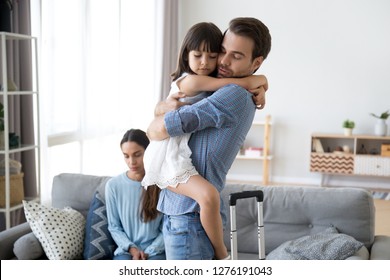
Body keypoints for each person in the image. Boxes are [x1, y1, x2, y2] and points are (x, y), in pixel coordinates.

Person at [147, 17, 272, 260]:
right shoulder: (222, 85)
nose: (222, 61)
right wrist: (261, 80)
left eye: (236, 56)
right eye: (222, 51)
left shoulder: (234, 94)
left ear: (256, 62)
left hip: (190, 220)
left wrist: (155, 121)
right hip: (185, 215)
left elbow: (158, 130)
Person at [105, 129, 165, 260]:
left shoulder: (163, 183)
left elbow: (167, 226)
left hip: (156, 251)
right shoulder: (113, 186)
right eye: (126, 156)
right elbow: (114, 227)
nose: (131, 162)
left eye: (137, 154)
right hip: (126, 251)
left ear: (148, 152)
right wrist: (133, 250)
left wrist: (150, 251)